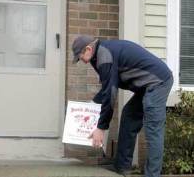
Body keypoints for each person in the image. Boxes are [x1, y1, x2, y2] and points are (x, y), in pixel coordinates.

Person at [71, 35, 173, 177]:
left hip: (158, 82)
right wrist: (94, 103)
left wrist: (101, 128)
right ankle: (122, 168)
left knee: (153, 129)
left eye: (80, 55)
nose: (81, 60)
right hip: (146, 85)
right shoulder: (100, 54)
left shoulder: (103, 55)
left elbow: (110, 95)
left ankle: (152, 175)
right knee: (129, 115)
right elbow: (109, 86)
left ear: (88, 49)